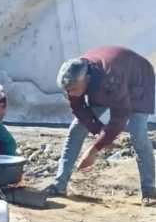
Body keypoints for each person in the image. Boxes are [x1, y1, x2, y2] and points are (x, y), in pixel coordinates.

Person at [46, 46, 156, 206]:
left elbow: (120, 116)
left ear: (86, 79)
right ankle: (59, 184)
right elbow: (80, 110)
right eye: (67, 91)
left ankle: (149, 190)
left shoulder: (111, 78)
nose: (70, 94)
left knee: (137, 133)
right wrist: (101, 134)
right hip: (105, 86)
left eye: (74, 89)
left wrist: (94, 150)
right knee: (76, 128)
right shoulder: (75, 79)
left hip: (139, 81)